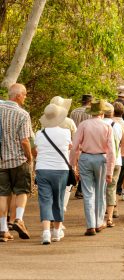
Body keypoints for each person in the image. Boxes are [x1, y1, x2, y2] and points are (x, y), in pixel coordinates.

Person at [69, 100, 115, 236]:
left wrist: (73, 165)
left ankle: (90, 225)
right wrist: (110, 171)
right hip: (101, 159)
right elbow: (112, 150)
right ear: (102, 112)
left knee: (88, 192)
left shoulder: (83, 125)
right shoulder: (107, 127)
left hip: (86, 158)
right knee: (100, 191)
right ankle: (98, 222)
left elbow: (75, 146)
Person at [34, 104, 71, 244]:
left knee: (45, 200)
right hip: (61, 169)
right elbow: (69, 147)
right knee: (59, 199)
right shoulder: (66, 133)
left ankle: (45, 232)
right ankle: (56, 231)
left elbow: (37, 149)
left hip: (42, 168)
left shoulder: (39, 134)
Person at [0, 83, 33, 242]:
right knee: (22, 191)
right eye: (25, 94)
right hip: (18, 159)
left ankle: (3, 229)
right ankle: (18, 219)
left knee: (2, 194)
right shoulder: (22, 114)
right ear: (18, 95)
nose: (25, 97)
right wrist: (30, 157)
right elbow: (25, 141)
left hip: (1, 161)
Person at [49, 96, 77, 212]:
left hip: (50, 156)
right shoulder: (69, 122)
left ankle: (52, 208)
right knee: (67, 185)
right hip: (66, 156)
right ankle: (61, 208)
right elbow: (75, 142)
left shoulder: (45, 121)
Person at [103, 103, 124, 226]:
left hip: (101, 160)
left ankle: (100, 215)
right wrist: (120, 155)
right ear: (112, 113)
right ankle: (110, 217)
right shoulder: (118, 126)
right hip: (116, 161)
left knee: (100, 188)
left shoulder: (99, 125)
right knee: (111, 189)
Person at [70, 94, 93, 199]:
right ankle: (80, 189)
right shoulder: (90, 112)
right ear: (90, 102)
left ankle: (71, 187)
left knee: (74, 165)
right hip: (85, 142)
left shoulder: (74, 112)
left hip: (74, 140)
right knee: (85, 167)